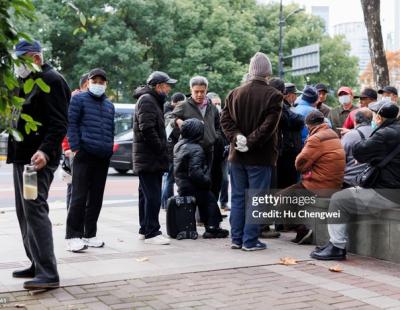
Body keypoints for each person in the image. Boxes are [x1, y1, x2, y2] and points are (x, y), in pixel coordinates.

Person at [8, 39, 70, 289]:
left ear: (35, 58)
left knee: (34, 210)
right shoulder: (25, 82)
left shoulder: (52, 81)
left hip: (37, 160)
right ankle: (36, 262)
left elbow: (59, 123)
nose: (17, 67)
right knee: (24, 212)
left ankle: (48, 272)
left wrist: (45, 151)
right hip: (22, 156)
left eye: (20, 61)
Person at [311, 101, 400, 260]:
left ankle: (336, 246)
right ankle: (333, 243)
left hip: (387, 192)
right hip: (393, 188)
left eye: (374, 115)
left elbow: (359, 151)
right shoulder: (394, 131)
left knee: (339, 199)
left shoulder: (385, 133)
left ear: (378, 117)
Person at [221, 52, 283, 251]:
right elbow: (269, 126)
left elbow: (225, 120)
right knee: (256, 199)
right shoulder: (274, 95)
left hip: (236, 156)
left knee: (238, 197)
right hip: (260, 156)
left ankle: (236, 239)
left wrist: (237, 137)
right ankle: (250, 240)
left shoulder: (235, 93)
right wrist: (250, 141)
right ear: (268, 73)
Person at [277, 111, 345, 244]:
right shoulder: (333, 135)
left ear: (308, 125)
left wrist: (305, 169)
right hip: (335, 183)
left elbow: (300, 163)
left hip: (319, 185)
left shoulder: (316, 139)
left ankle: (300, 229)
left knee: (281, 197)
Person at [66, 68, 115, 252]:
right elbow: (71, 124)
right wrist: (76, 148)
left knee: (96, 197)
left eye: (102, 82)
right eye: (95, 81)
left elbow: (111, 129)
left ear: (106, 84)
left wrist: (109, 149)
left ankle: (89, 234)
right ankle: (72, 236)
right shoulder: (78, 99)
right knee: (78, 196)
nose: (98, 84)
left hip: (102, 156)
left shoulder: (109, 105)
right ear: (88, 82)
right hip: (84, 154)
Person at [133, 71, 176, 245]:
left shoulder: (151, 100)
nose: (169, 89)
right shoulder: (147, 100)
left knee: (146, 195)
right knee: (153, 196)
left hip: (149, 157)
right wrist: (161, 148)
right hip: (149, 158)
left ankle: (145, 229)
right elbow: (147, 129)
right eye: (167, 85)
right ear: (158, 86)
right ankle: (152, 232)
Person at [173, 118, 229, 238]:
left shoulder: (179, 145)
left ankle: (210, 227)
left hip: (183, 184)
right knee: (210, 201)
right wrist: (206, 181)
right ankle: (213, 228)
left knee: (205, 200)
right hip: (193, 185)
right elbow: (195, 172)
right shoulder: (196, 149)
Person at [62, 73, 89, 209]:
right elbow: (68, 124)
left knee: (79, 186)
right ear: (85, 84)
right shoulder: (75, 99)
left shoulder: (85, 99)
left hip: (82, 149)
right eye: (93, 82)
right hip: (74, 150)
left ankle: (76, 218)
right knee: (75, 186)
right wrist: (67, 147)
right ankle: (71, 218)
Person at [161, 92, 186, 209]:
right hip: (172, 152)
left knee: (167, 179)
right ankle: (167, 204)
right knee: (170, 179)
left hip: (168, 151)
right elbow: (177, 133)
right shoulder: (171, 115)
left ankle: (164, 203)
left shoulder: (166, 111)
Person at [207, 92, 229, 211]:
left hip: (223, 153)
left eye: (219, 104)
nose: (218, 106)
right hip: (211, 153)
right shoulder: (208, 116)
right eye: (216, 104)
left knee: (224, 179)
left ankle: (223, 202)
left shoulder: (224, 116)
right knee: (212, 180)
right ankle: (212, 206)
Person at [341, 108, 373, 188]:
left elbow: (340, 157)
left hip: (350, 180)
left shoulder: (350, 135)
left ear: (355, 121)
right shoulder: (378, 133)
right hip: (371, 178)